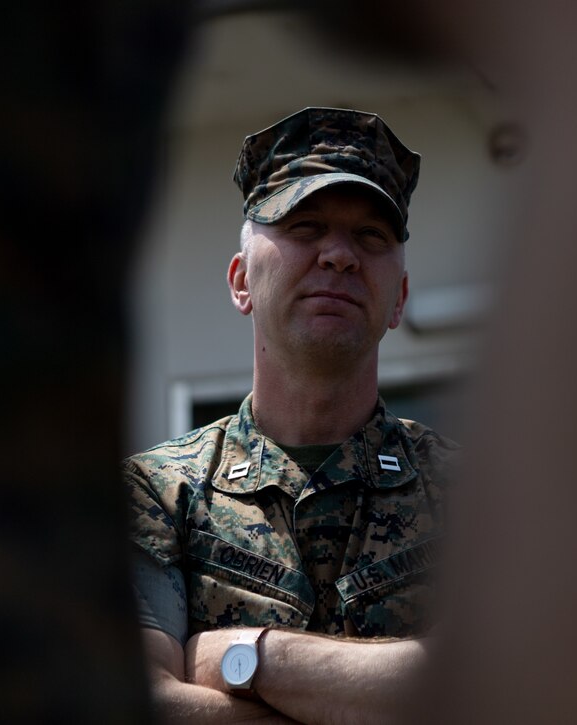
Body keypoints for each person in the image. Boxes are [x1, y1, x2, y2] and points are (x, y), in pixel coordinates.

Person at [122, 107, 456, 724]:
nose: (339, 255)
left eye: (371, 236)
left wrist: (243, 658)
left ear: (399, 300)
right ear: (241, 281)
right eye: (304, 226)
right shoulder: (159, 494)